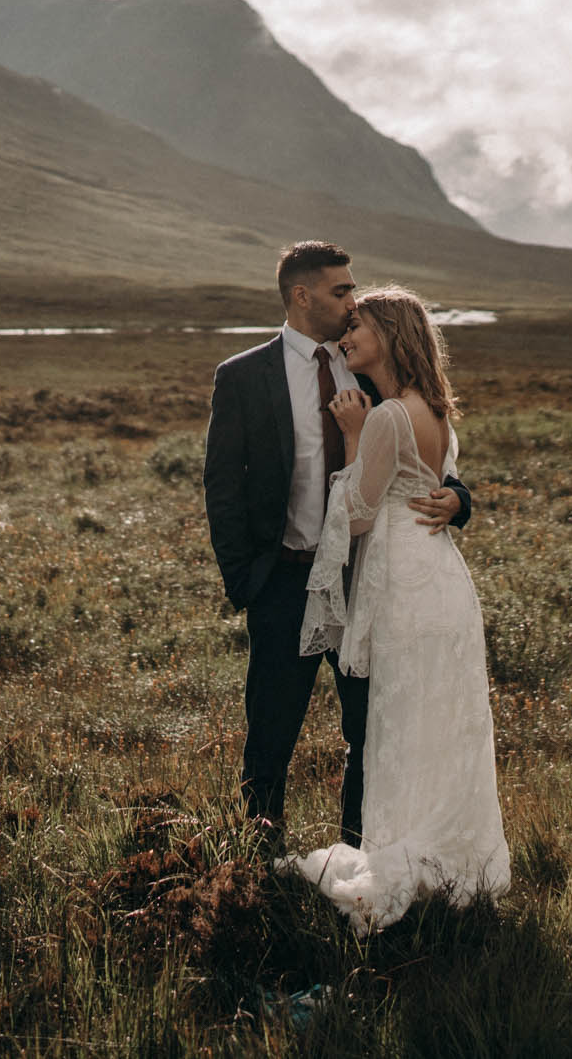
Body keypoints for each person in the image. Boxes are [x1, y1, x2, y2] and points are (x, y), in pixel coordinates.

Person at [204, 242, 472, 847]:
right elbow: (222, 486)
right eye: (341, 291)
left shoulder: (370, 364)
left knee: (371, 729)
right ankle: (260, 855)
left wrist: (459, 499)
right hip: (283, 581)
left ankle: (360, 849)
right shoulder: (243, 376)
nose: (352, 300)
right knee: (270, 730)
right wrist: (244, 580)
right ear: (302, 296)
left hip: (370, 580)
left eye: (353, 291)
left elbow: (424, 450)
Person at [279, 285, 510, 934]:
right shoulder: (437, 413)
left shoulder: (384, 418)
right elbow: (434, 484)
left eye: (358, 326)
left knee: (399, 727)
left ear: (392, 335)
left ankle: (405, 863)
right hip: (442, 580)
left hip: (403, 583)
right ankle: (457, 868)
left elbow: (355, 515)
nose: (346, 335)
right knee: (440, 728)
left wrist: (354, 436)